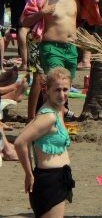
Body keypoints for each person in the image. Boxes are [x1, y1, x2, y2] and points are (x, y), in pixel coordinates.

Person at [15, 66, 74, 218]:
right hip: (49, 181)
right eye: (57, 90)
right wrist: (28, 174)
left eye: (65, 89)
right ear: (47, 91)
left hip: (59, 177)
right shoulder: (48, 116)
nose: (62, 94)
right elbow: (20, 142)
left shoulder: (57, 110)